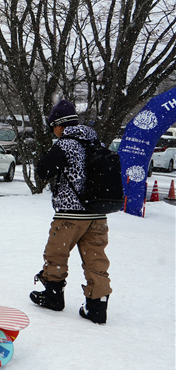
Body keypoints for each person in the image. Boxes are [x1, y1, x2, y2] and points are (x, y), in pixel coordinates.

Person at [30, 99, 112, 324]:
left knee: (56, 254)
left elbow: (43, 170)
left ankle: (53, 296)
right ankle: (97, 307)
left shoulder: (65, 144)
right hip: (97, 213)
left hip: (70, 214)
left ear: (59, 125)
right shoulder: (97, 142)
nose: (53, 132)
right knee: (96, 259)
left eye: (52, 127)